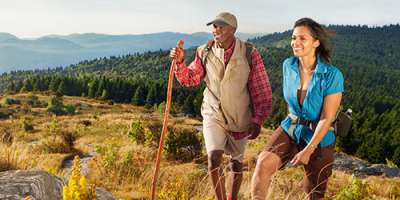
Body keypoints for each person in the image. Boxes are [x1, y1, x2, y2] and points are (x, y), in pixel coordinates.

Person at [170, 12, 272, 200]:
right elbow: (191, 78)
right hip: (212, 112)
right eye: (214, 26)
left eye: (221, 26)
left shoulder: (249, 52)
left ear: (233, 29)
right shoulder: (204, 51)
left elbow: (261, 89)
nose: (216, 30)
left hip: (239, 115)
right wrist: (180, 63)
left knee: (236, 164)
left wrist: (258, 119)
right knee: (214, 158)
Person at [251, 18, 344, 200]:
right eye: (294, 38)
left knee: (313, 193)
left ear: (316, 42)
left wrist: (308, 150)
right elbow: (290, 102)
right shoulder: (288, 65)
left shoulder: (333, 75)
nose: (296, 42)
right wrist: (289, 132)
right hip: (291, 125)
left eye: (302, 38)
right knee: (262, 164)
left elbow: (327, 117)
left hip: (319, 135)